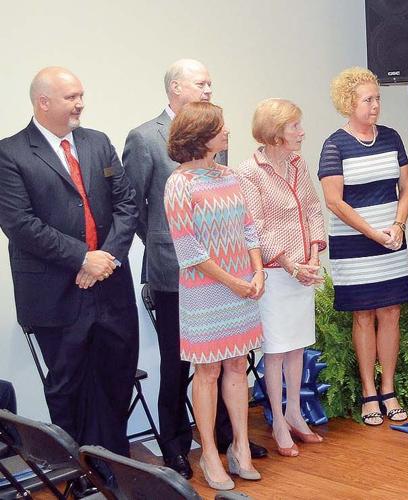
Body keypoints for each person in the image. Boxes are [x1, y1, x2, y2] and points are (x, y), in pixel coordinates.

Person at [123, 59, 266, 479]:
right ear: (175, 88)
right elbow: (133, 205)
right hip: (182, 274)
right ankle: (178, 448)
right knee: (180, 366)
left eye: (209, 84)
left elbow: (243, 223)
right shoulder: (146, 139)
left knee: (233, 364)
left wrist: (253, 270)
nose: (207, 90)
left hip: (235, 275)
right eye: (201, 84)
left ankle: (231, 442)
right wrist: (164, 244)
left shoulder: (224, 166)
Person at [0, 67, 139, 457]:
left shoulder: (98, 142)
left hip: (111, 286)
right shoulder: (10, 154)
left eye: (81, 95)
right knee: (68, 386)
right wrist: (82, 258)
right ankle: (78, 470)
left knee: (116, 377)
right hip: (55, 294)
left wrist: (105, 258)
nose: (80, 104)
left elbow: (126, 205)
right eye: (71, 97)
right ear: (43, 102)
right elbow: (20, 225)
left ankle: (117, 466)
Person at [163, 102, 264, 490]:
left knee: (237, 364)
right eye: (220, 127)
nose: (226, 132)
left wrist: (256, 271)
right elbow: (188, 250)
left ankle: (240, 446)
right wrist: (233, 282)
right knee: (207, 370)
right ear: (200, 135)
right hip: (205, 292)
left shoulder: (229, 175)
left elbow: (249, 228)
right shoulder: (179, 184)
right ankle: (208, 453)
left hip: (242, 286)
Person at [318, 67, 408, 426]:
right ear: (349, 103)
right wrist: (373, 233)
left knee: (390, 312)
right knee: (363, 315)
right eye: (368, 100)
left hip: (391, 239)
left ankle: (388, 390)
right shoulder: (334, 144)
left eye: (377, 99)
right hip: (354, 244)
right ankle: (368, 392)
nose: (375, 105)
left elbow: (406, 187)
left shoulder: (391, 137)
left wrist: (398, 225)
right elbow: (334, 201)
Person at [234, 98, 327, 456]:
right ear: (275, 133)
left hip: (303, 269)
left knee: (297, 347)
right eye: (294, 126)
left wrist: (313, 256)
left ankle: (295, 414)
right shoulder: (249, 171)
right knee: (275, 351)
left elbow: (313, 209)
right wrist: (290, 265)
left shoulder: (298, 164)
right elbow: (256, 226)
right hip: (274, 273)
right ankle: (276, 421)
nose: (302, 132)